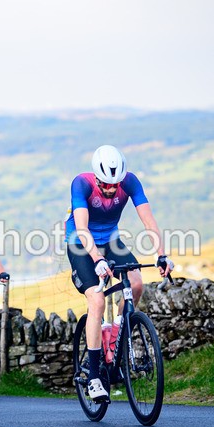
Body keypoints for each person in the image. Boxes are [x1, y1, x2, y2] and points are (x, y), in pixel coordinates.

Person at [64, 145, 174, 403]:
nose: (112, 189)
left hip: (112, 241)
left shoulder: (130, 182)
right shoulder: (81, 184)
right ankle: (93, 377)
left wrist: (161, 254)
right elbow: (81, 228)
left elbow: (149, 221)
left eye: (116, 184)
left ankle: (113, 336)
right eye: (106, 185)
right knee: (98, 300)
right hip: (81, 244)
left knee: (136, 284)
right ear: (96, 178)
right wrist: (97, 259)